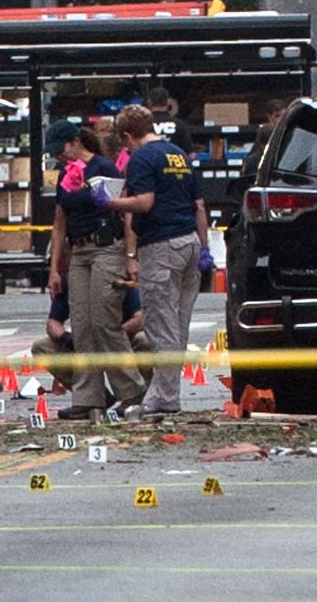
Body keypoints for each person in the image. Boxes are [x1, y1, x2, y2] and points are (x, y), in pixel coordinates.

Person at [95, 104, 210, 417]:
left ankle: (165, 399)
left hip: (161, 246)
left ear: (128, 136)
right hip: (189, 243)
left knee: (161, 327)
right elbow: (199, 205)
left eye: (124, 141)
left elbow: (144, 203)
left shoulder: (142, 158)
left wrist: (110, 202)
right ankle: (162, 396)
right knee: (178, 327)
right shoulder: (178, 155)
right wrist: (204, 247)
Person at [44, 120, 145, 420]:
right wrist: (54, 269)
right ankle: (89, 398)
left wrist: (130, 256)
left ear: (76, 141)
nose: (58, 157)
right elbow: (59, 223)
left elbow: (125, 214)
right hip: (79, 251)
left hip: (107, 248)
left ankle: (132, 392)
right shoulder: (64, 175)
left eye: (60, 149)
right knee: (83, 325)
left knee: (104, 320)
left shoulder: (104, 168)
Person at [146, 87, 195, 158]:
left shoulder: (144, 124)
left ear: (149, 102)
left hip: (150, 165)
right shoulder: (179, 124)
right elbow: (191, 155)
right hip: (174, 166)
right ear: (168, 102)